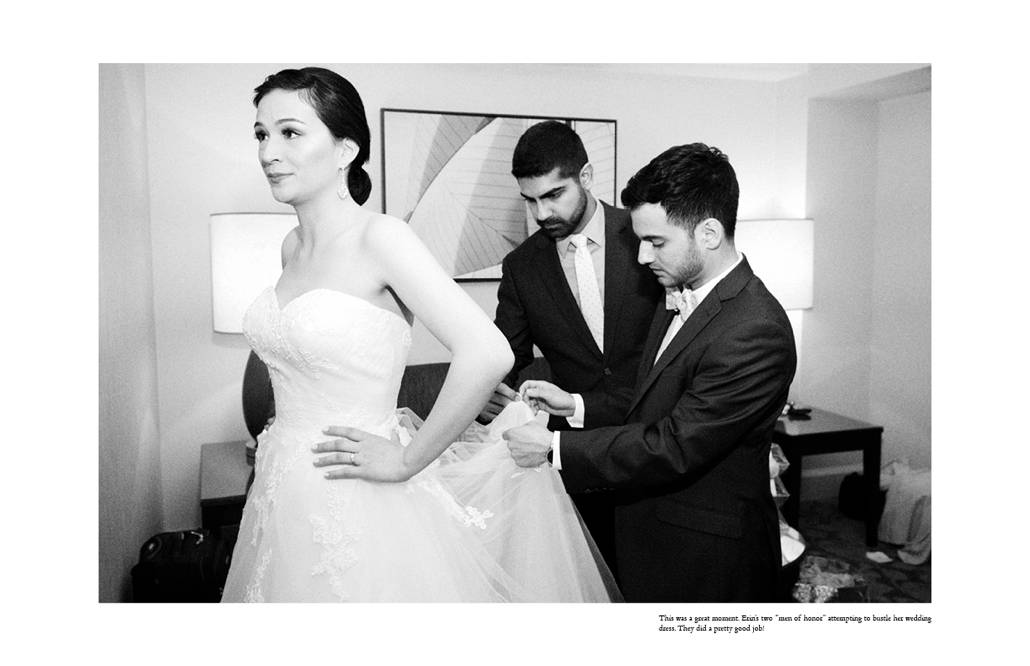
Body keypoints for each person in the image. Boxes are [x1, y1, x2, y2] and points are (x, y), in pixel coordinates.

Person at [220, 68, 615, 602]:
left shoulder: (382, 237)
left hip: (361, 498)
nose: (269, 151)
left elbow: (488, 351)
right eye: (261, 134)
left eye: (290, 132)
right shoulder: (290, 247)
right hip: (282, 489)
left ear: (344, 150)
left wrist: (408, 459)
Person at [504, 143, 797, 602]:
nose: (641, 257)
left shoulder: (755, 330)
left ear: (709, 233)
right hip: (651, 536)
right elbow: (652, 401)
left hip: (707, 558)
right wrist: (577, 405)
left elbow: (676, 444)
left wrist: (555, 446)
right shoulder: (678, 293)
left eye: (656, 242)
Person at [479, 120, 661, 573]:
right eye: (530, 200)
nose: (541, 214)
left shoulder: (644, 237)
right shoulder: (522, 266)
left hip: (659, 447)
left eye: (553, 195)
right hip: (578, 459)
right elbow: (506, 354)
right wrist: (485, 390)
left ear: (587, 177)